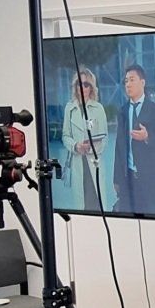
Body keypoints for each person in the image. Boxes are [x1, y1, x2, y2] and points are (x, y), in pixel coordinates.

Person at [111, 63, 155, 216]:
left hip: (150, 179)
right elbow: (119, 147)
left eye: (132, 80)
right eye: (126, 81)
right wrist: (116, 178)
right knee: (128, 220)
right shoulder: (122, 111)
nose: (128, 84)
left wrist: (147, 137)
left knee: (152, 218)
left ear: (142, 82)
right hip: (128, 180)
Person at [61, 68, 110, 210]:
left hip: (94, 162)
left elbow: (105, 138)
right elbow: (65, 136)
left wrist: (90, 148)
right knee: (81, 206)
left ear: (91, 87)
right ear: (75, 86)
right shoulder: (69, 109)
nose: (82, 88)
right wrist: (76, 146)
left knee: (97, 204)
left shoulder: (98, 108)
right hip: (77, 163)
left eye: (86, 84)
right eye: (79, 84)